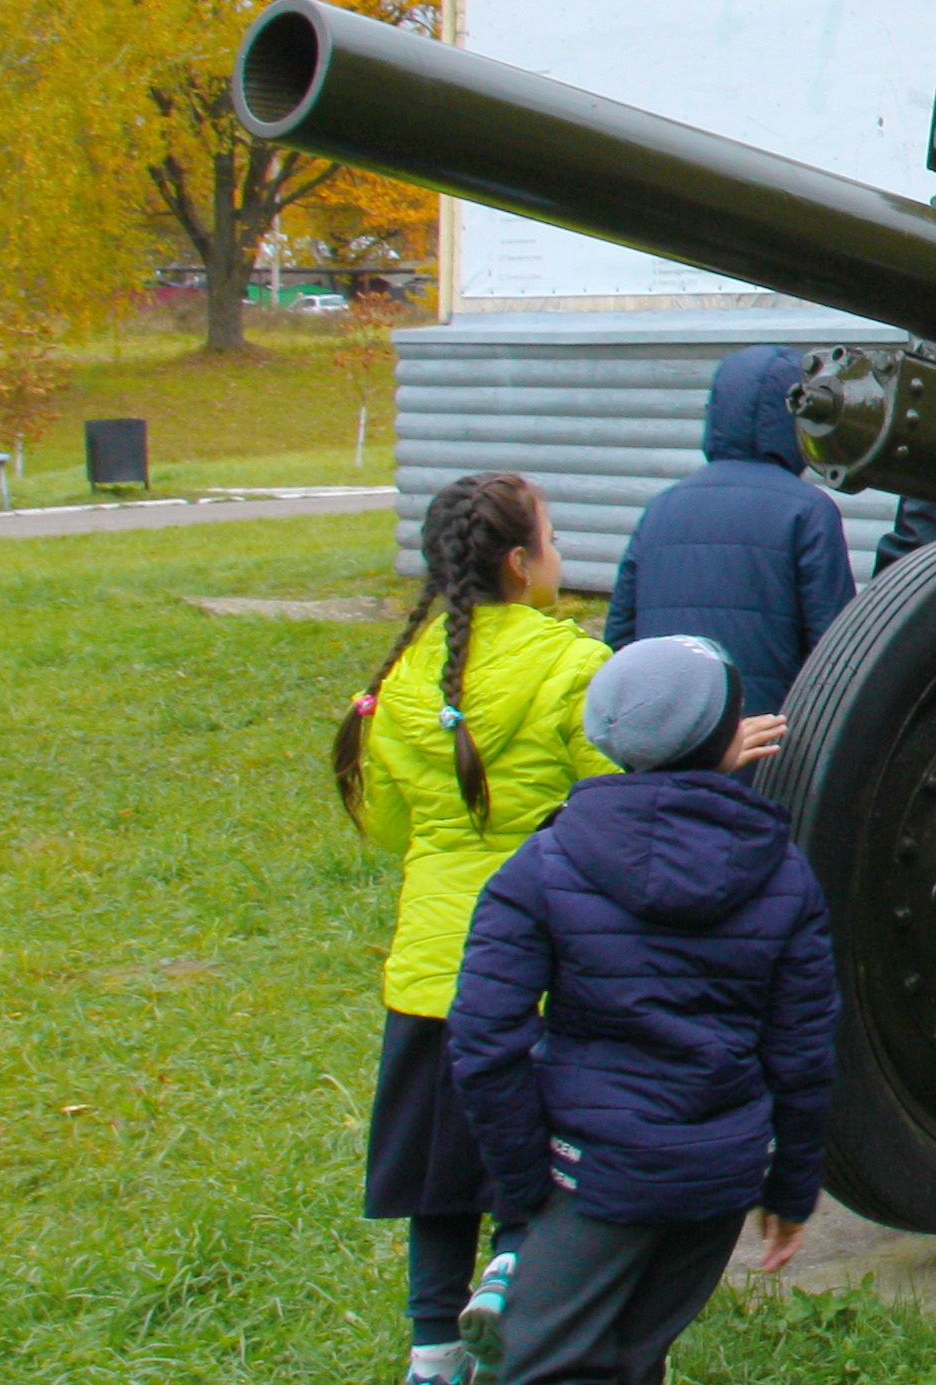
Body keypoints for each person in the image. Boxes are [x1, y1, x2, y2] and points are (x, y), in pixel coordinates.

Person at [445, 637, 830, 1385]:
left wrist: (524, 1187)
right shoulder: (784, 870)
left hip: (592, 1173)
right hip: (718, 1177)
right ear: (729, 739)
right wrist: (791, 1185)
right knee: (632, 1358)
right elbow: (804, 1048)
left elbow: (484, 1039)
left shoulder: (543, 863)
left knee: (543, 1365)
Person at [333, 474, 615, 1385]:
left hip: (429, 973)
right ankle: (511, 1282)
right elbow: (614, 793)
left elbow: (385, 827)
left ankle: (430, 1352)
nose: (561, 555)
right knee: (533, 1160)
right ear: (519, 562)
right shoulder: (573, 662)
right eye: (553, 538)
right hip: (541, 965)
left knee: (438, 1173)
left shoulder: (399, 676)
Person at [603, 345, 853, 714]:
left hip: (667, 742)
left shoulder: (662, 507)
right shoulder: (809, 512)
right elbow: (835, 652)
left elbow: (621, 638)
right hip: (766, 749)